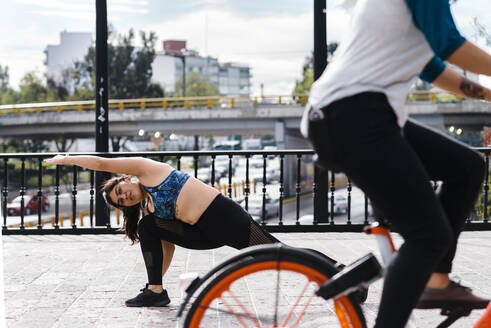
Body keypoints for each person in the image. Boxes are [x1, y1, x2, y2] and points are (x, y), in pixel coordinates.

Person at [301, 0, 490, 327]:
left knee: (468, 166)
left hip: (361, 115)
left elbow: (435, 69)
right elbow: (449, 43)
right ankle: (425, 277)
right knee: (427, 236)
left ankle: (434, 281)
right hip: (354, 115)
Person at [44, 155, 343, 307]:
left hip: (222, 215)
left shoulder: (146, 170)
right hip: (201, 233)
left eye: (122, 190)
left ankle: (339, 271)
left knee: (277, 253)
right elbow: (167, 246)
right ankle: (155, 293)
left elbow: (100, 162)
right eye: (121, 201)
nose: (125, 197)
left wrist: (66, 160)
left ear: (126, 179)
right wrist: (156, 280)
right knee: (148, 227)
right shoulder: (148, 210)